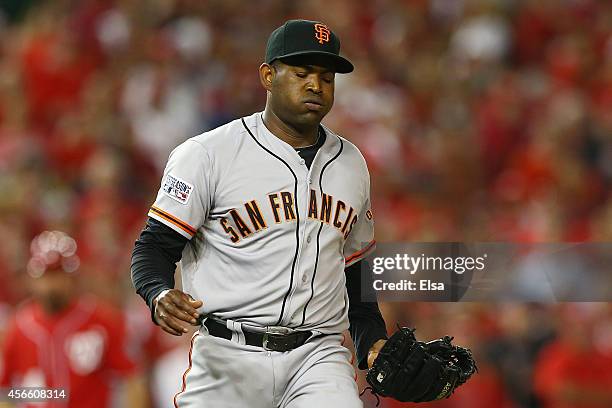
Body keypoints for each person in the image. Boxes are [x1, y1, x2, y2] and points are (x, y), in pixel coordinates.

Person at [131, 19, 388, 407]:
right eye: (301, 73)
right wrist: (159, 292)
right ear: (268, 76)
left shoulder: (351, 163)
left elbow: (355, 267)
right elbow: (154, 246)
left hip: (317, 357)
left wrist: (372, 340)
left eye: (326, 77)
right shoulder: (207, 154)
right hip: (227, 354)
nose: (315, 85)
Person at [0, 230, 148, 408]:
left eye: (59, 274)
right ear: (32, 278)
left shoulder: (103, 320)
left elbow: (132, 379)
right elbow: (5, 392)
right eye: (46, 276)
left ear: (73, 276)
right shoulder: (18, 328)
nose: (52, 285)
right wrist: (33, 392)